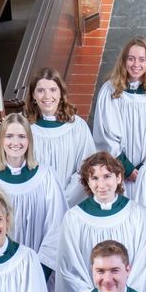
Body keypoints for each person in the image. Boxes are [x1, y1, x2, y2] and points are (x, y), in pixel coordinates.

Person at [52, 152, 146, 292]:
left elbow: (144, 267)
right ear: (87, 183)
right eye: (95, 178)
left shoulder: (138, 215)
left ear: (119, 178)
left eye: (107, 176)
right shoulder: (74, 218)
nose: (102, 184)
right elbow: (70, 269)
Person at [0, 112, 67, 277]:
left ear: (29, 141)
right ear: (1, 140)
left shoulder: (46, 177)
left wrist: (38, 273)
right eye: (9, 136)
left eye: (21, 136)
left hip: (38, 270)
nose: (15, 142)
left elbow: (57, 227)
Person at [91, 37, 146, 183]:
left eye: (141, 60)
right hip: (117, 169)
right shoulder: (110, 91)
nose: (136, 64)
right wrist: (126, 169)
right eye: (131, 59)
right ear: (123, 61)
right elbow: (106, 135)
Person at [26, 67, 98, 205]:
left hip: (68, 204)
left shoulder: (77, 126)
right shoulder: (25, 128)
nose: (47, 96)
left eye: (53, 90)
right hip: (34, 203)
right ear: (33, 95)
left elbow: (85, 168)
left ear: (61, 94)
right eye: (40, 91)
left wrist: (62, 200)